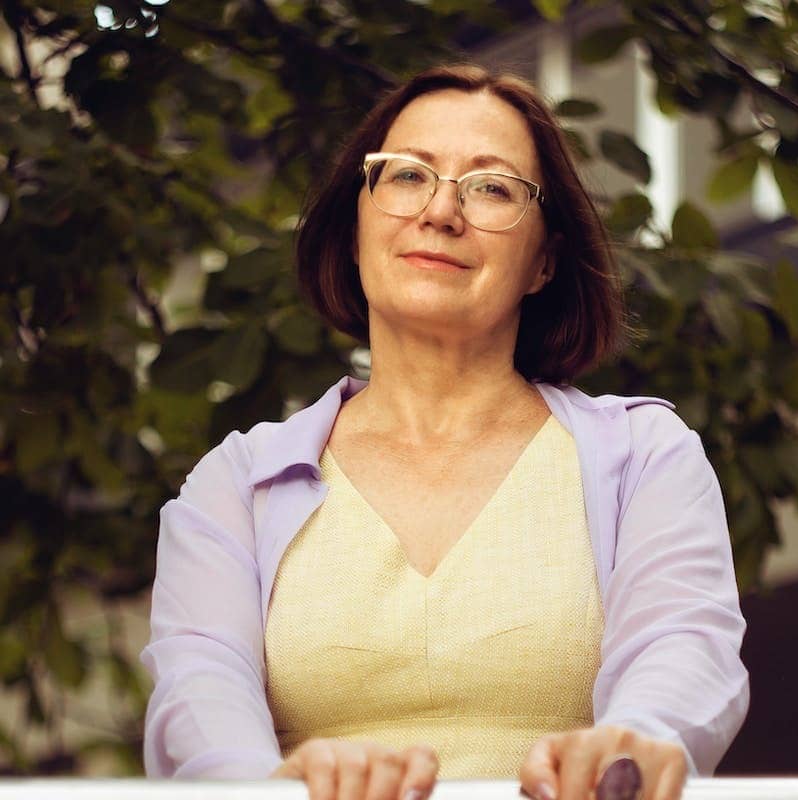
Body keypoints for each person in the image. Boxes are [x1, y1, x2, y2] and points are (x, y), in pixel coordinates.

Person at [141, 64, 748, 800]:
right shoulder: (237, 482)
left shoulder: (647, 457)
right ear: (356, 225)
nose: (440, 211)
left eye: (491, 187)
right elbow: (198, 693)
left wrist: (639, 744)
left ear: (544, 261)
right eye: (406, 176)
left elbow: (684, 651)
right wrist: (274, 786)